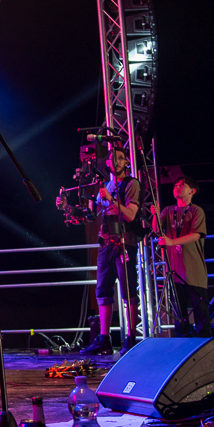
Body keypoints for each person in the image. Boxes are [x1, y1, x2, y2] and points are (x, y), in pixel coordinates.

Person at [80, 147, 141, 356]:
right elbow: (91, 215)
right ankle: (104, 339)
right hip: (105, 244)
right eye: (113, 158)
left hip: (124, 242)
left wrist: (111, 199)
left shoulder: (131, 184)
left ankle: (131, 338)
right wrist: (68, 207)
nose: (116, 161)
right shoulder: (105, 186)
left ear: (126, 163)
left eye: (121, 158)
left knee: (128, 290)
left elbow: (131, 215)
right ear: (107, 163)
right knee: (103, 292)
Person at [152, 177, 210, 335]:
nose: (177, 187)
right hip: (175, 270)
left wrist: (172, 242)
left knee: (201, 311)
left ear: (192, 191)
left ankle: (204, 342)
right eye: (175, 185)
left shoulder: (196, 211)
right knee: (179, 313)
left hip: (193, 270)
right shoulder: (168, 210)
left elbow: (196, 235)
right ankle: (182, 342)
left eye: (181, 185)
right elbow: (157, 230)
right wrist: (155, 215)